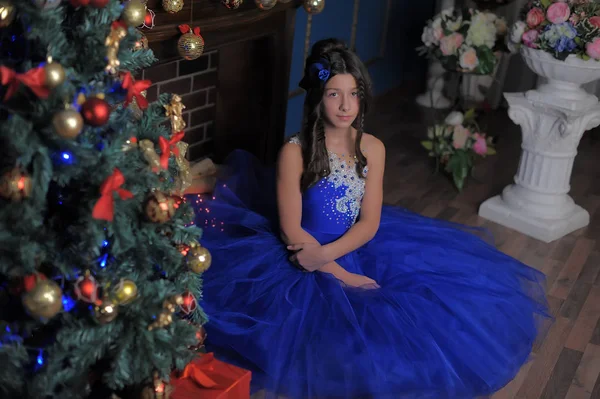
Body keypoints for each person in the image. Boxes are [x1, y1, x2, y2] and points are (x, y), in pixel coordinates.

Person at [187, 38, 551, 399]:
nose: (346, 105)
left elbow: (369, 222)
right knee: (331, 343)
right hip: (301, 251)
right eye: (333, 94)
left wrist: (339, 263)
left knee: (424, 323)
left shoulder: (373, 148)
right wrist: (339, 274)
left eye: (354, 93)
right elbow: (292, 230)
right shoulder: (294, 152)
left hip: (354, 244)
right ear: (318, 97)